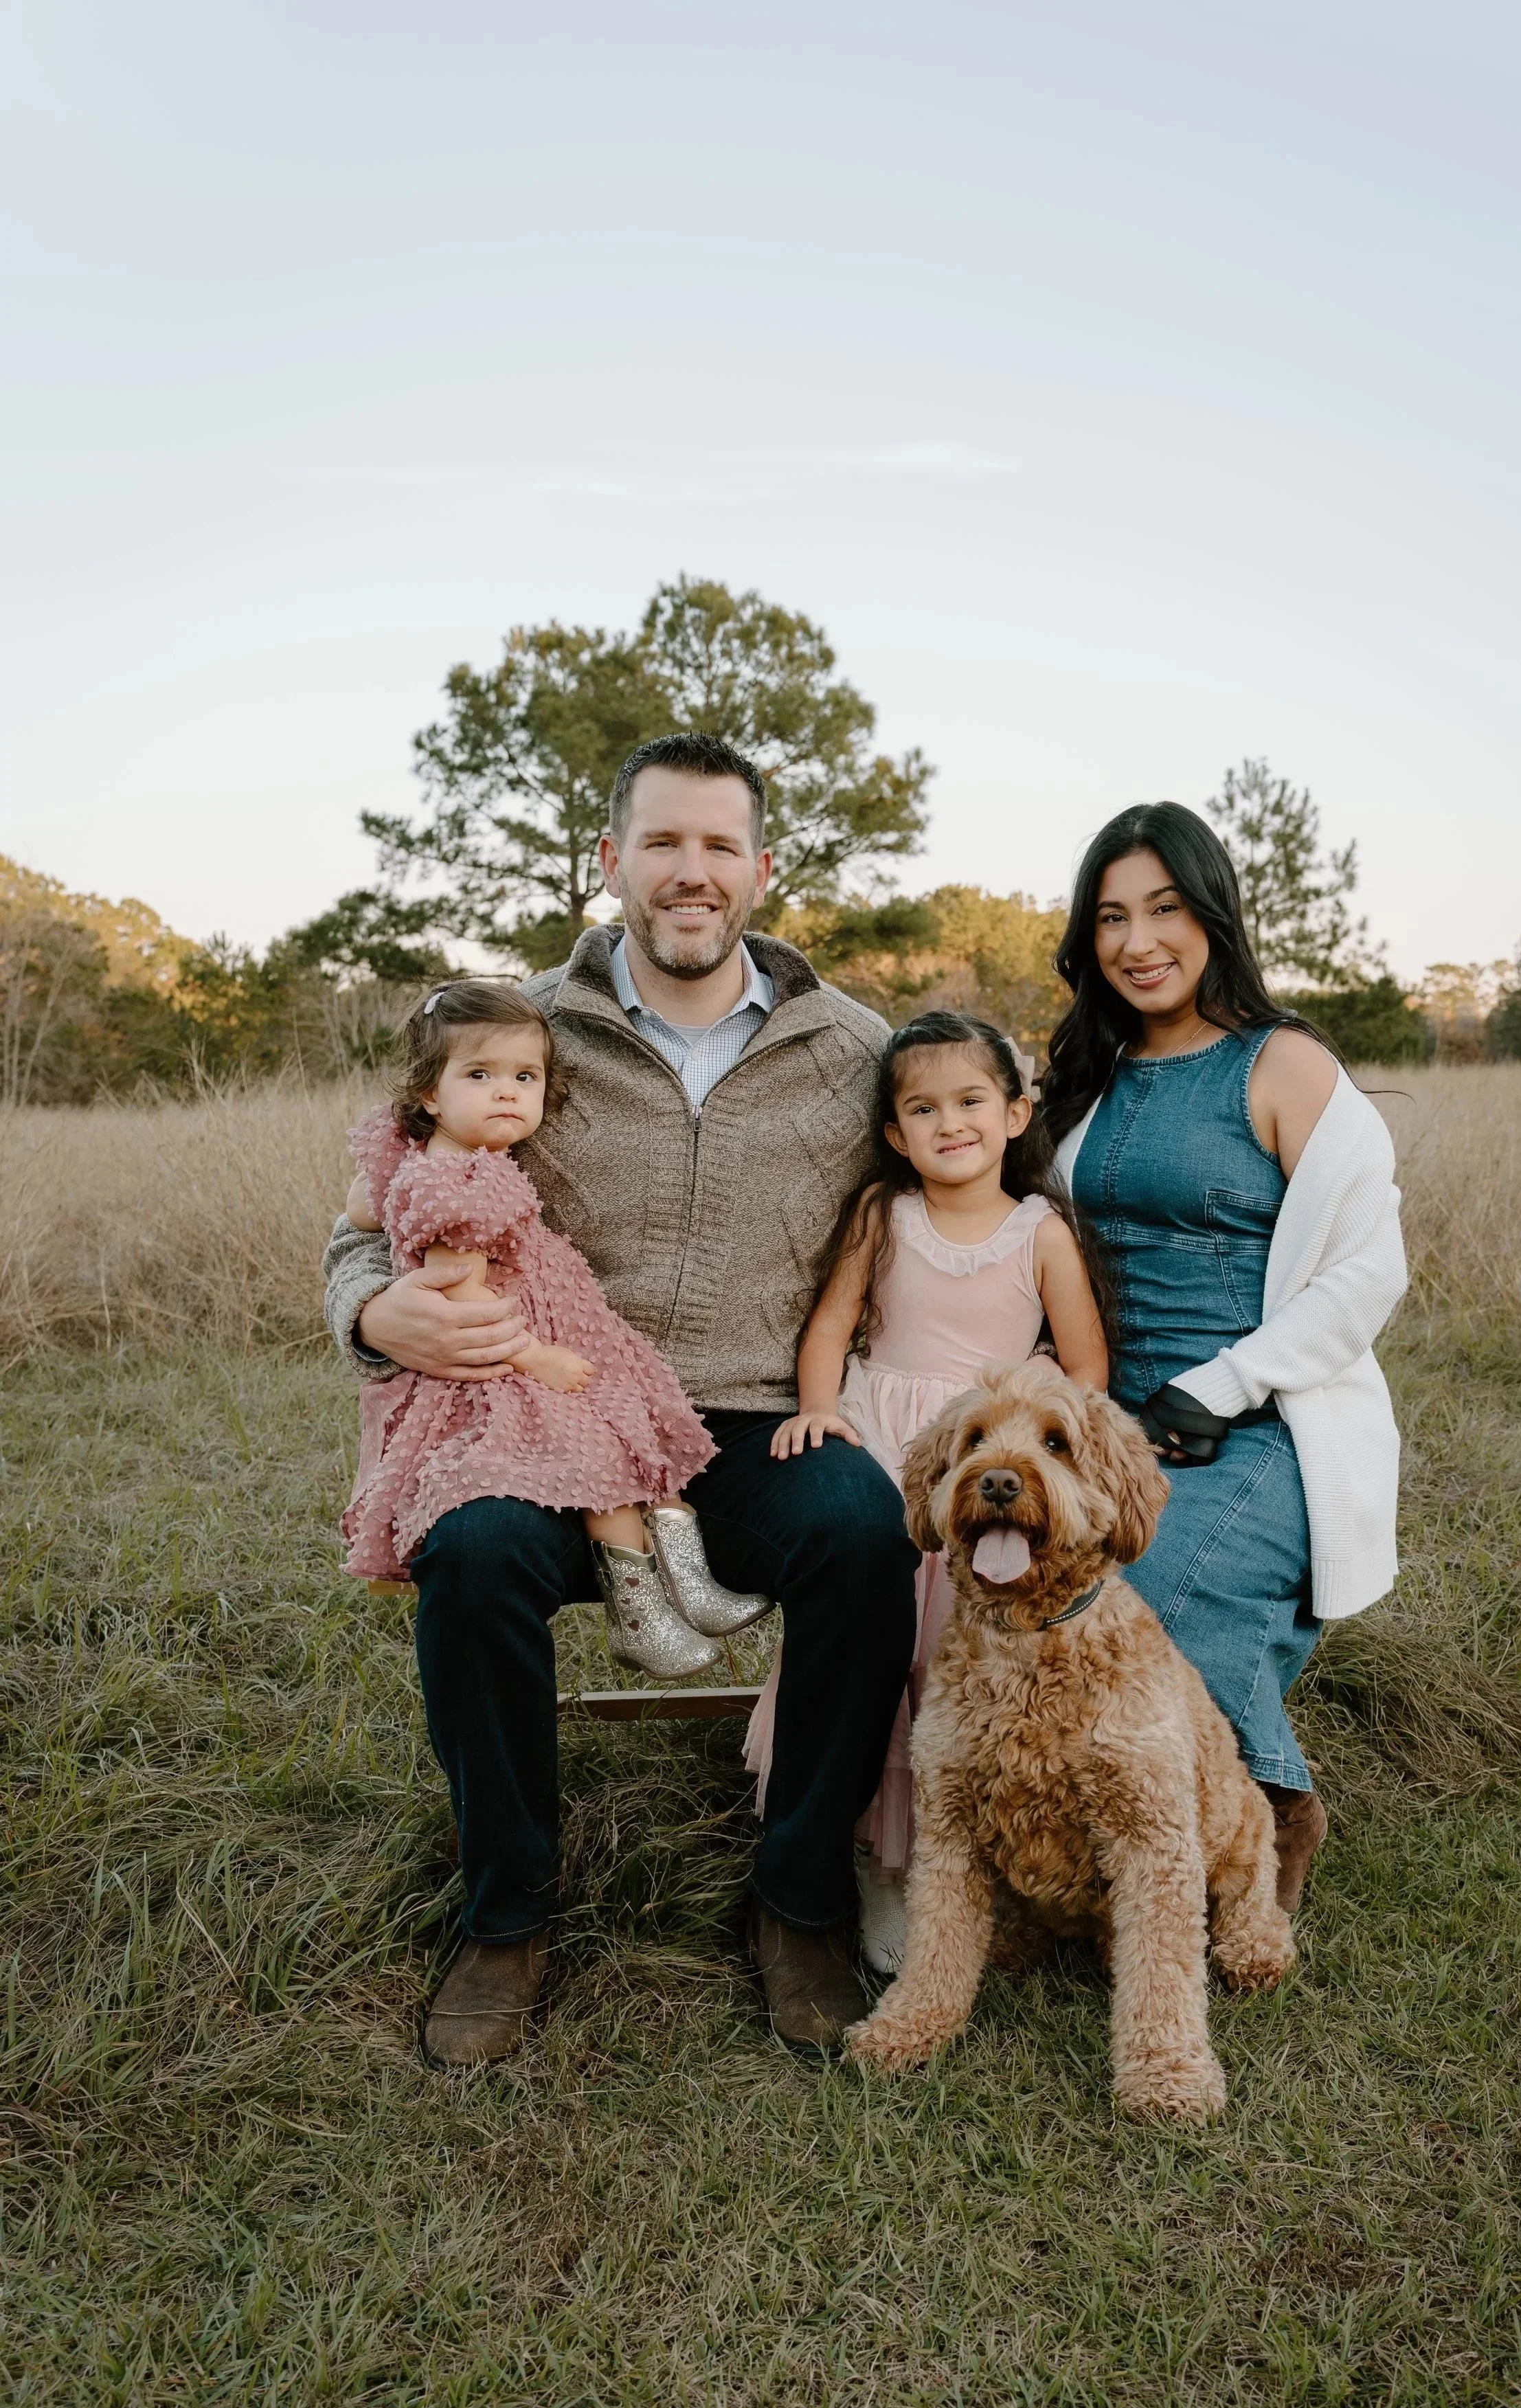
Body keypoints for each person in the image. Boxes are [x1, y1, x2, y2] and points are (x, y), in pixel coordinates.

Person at [322, 732, 919, 2068]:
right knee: (470, 1553)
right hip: (553, 1421)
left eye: (718, 846)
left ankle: (798, 1897)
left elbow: (955, 1171)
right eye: (661, 843)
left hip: (757, 1416)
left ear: (761, 870)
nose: (690, 873)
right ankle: (506, 1911)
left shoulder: (849, 1049)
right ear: (611, 863)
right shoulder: (518, 1034)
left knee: (864, 1535)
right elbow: (366, 1224)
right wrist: (372, 1309)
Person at [1042, 802, 1409, 1913]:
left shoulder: (1283, 1063)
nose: (1138, 939)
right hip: (1107, 1412)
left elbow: (1367, 1271)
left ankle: (1274, 1806)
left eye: (1164, 907)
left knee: (1150, 1592)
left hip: (1260, 1418)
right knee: (1036, 1592)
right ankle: (1088, 1852)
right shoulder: (1084, 1073)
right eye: (1112, 916)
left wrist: (1222, 1383)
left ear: (1213, 914)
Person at [746, 1011, 1108, 1974]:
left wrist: (1044, 1448)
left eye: (971, 1101)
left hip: (988, 1457)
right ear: (897, 1133)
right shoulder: (883, 1214)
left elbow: (1084, 1368)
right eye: (923, 1108)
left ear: (1017, 1112)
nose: (950, 1123)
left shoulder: (1042, 1234)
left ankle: (978, 1856)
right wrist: (820, 1412)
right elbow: (830, 1329)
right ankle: (880, 1865)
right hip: (888, 1447)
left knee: (955, 1658)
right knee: (878, 1650)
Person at [340, 978, 763, 1683]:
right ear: (430, 1094)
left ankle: (689, 1587)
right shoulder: (455, 1190)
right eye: (480, 1075)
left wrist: (379, 1199)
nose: (507, 1092)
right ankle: (642, 1618)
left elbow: (366, 1205)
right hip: (504, 1372)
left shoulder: (446, 1159)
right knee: (603, 1463)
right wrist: (542, 1358)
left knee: (634, 1424)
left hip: (543, 1335)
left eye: (524, 1076)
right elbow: (465, 1309)